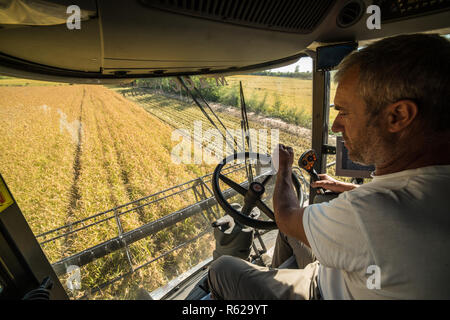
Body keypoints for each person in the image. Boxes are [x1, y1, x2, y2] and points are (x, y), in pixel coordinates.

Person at [207, 33, 450, 300]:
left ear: (398, 116)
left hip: (323, 290)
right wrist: (344, 187)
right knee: (297, 230)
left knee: (222, 268)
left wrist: (284, 169)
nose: (335, 126)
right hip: (343, 276)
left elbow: (286, 217)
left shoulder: (370, 212)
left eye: (344, 112)